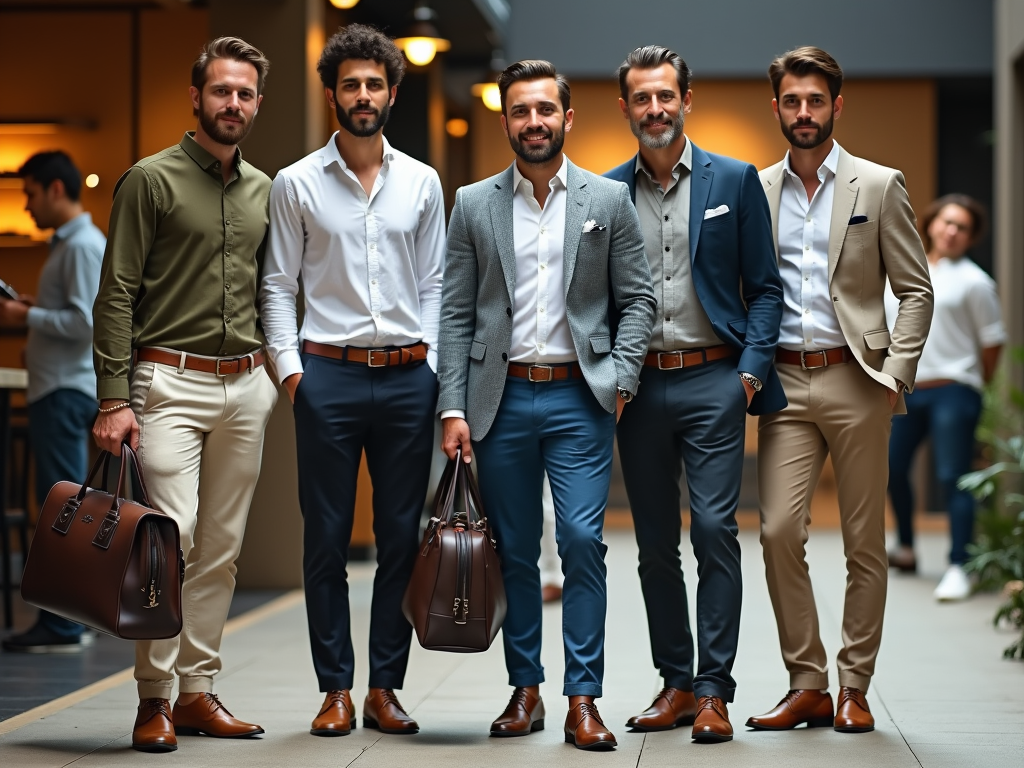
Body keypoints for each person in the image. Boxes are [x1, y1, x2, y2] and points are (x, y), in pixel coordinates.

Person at [437, 59, 655, 750]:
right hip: (497, 401)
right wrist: (452, 408)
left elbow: (638, 298)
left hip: (577, 399)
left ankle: (581, 699)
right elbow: (453, 313)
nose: (533, 122)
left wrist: (620, 381)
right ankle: (525, 689)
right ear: (506, 120)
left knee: (584, 542)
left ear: (568, 117)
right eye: (520, 111)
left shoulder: (607, 202)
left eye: (544, 110)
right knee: (516, 553)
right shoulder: (473, 202)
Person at [91, 37, 278, 753]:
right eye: (222, 91)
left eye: (246, 93)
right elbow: (117, 295)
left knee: (222, 548)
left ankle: (198, 691)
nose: (234, 103)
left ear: (258, 103)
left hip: (246, 385)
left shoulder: (266, 190)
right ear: (196, 97)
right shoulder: (150, 180)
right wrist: (115, 399)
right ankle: (153, 698)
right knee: (169, 542)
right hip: (165, 383)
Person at [260, 25, 444, 738]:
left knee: (401, 537)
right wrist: (293, 375)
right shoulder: (296, 183)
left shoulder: (423, 182)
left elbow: (435, 284)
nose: (363, 96)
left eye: (374, 84)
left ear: (392, 93)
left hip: (406, 380)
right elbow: (277, 286)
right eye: (350, 85)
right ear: (331, 93)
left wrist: (430, 370)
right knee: (327, 540)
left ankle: (384, 688)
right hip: (327, 379)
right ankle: (334, 687)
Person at [748, 46, 933, 734]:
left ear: (836, 105)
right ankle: (807, 683)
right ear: (776, 108)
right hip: (784, 383)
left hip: (859, 381)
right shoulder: (755, 189)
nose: (803, 113)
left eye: (815, 101)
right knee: (776, 532)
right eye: (791, 101)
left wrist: (897, 373)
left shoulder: (879, 185)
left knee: (864, 542)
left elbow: (915, 290)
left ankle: (854, 684)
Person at [604, 45, 784, 744]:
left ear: (686, 100)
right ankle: (675, 682)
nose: (655, 109)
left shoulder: (733, 181)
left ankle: (714, 689)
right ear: (625, 108)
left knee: (713, 529)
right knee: (653, 545)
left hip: (715, 378)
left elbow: (765, 289)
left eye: (665, 97)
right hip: (640, 387)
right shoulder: (606, 194)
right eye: (642, 99)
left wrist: (748, 372)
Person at [0, 151, 103, 654]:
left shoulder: (82, 247)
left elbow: (86, 323)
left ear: (56, 189)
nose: (27, 205)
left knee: (62, 514)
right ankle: (64, 622)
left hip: (64, 391)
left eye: (30, 193)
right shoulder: (74, 245)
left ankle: (64, 625)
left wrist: (26, 316)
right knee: (61, 511)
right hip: (58, 388)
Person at [885, 194, 1004, 600]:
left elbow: (992, 345)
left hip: (954, 391)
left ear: (971, 237)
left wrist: (972, 383)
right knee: (891, 469)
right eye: (946, 222)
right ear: (931, 224)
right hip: (905, 389)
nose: (951, 231)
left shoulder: (975, 282)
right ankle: (904, 547)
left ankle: (959, 565)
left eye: (962, 227)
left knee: (953, 478)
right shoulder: (903, 269)